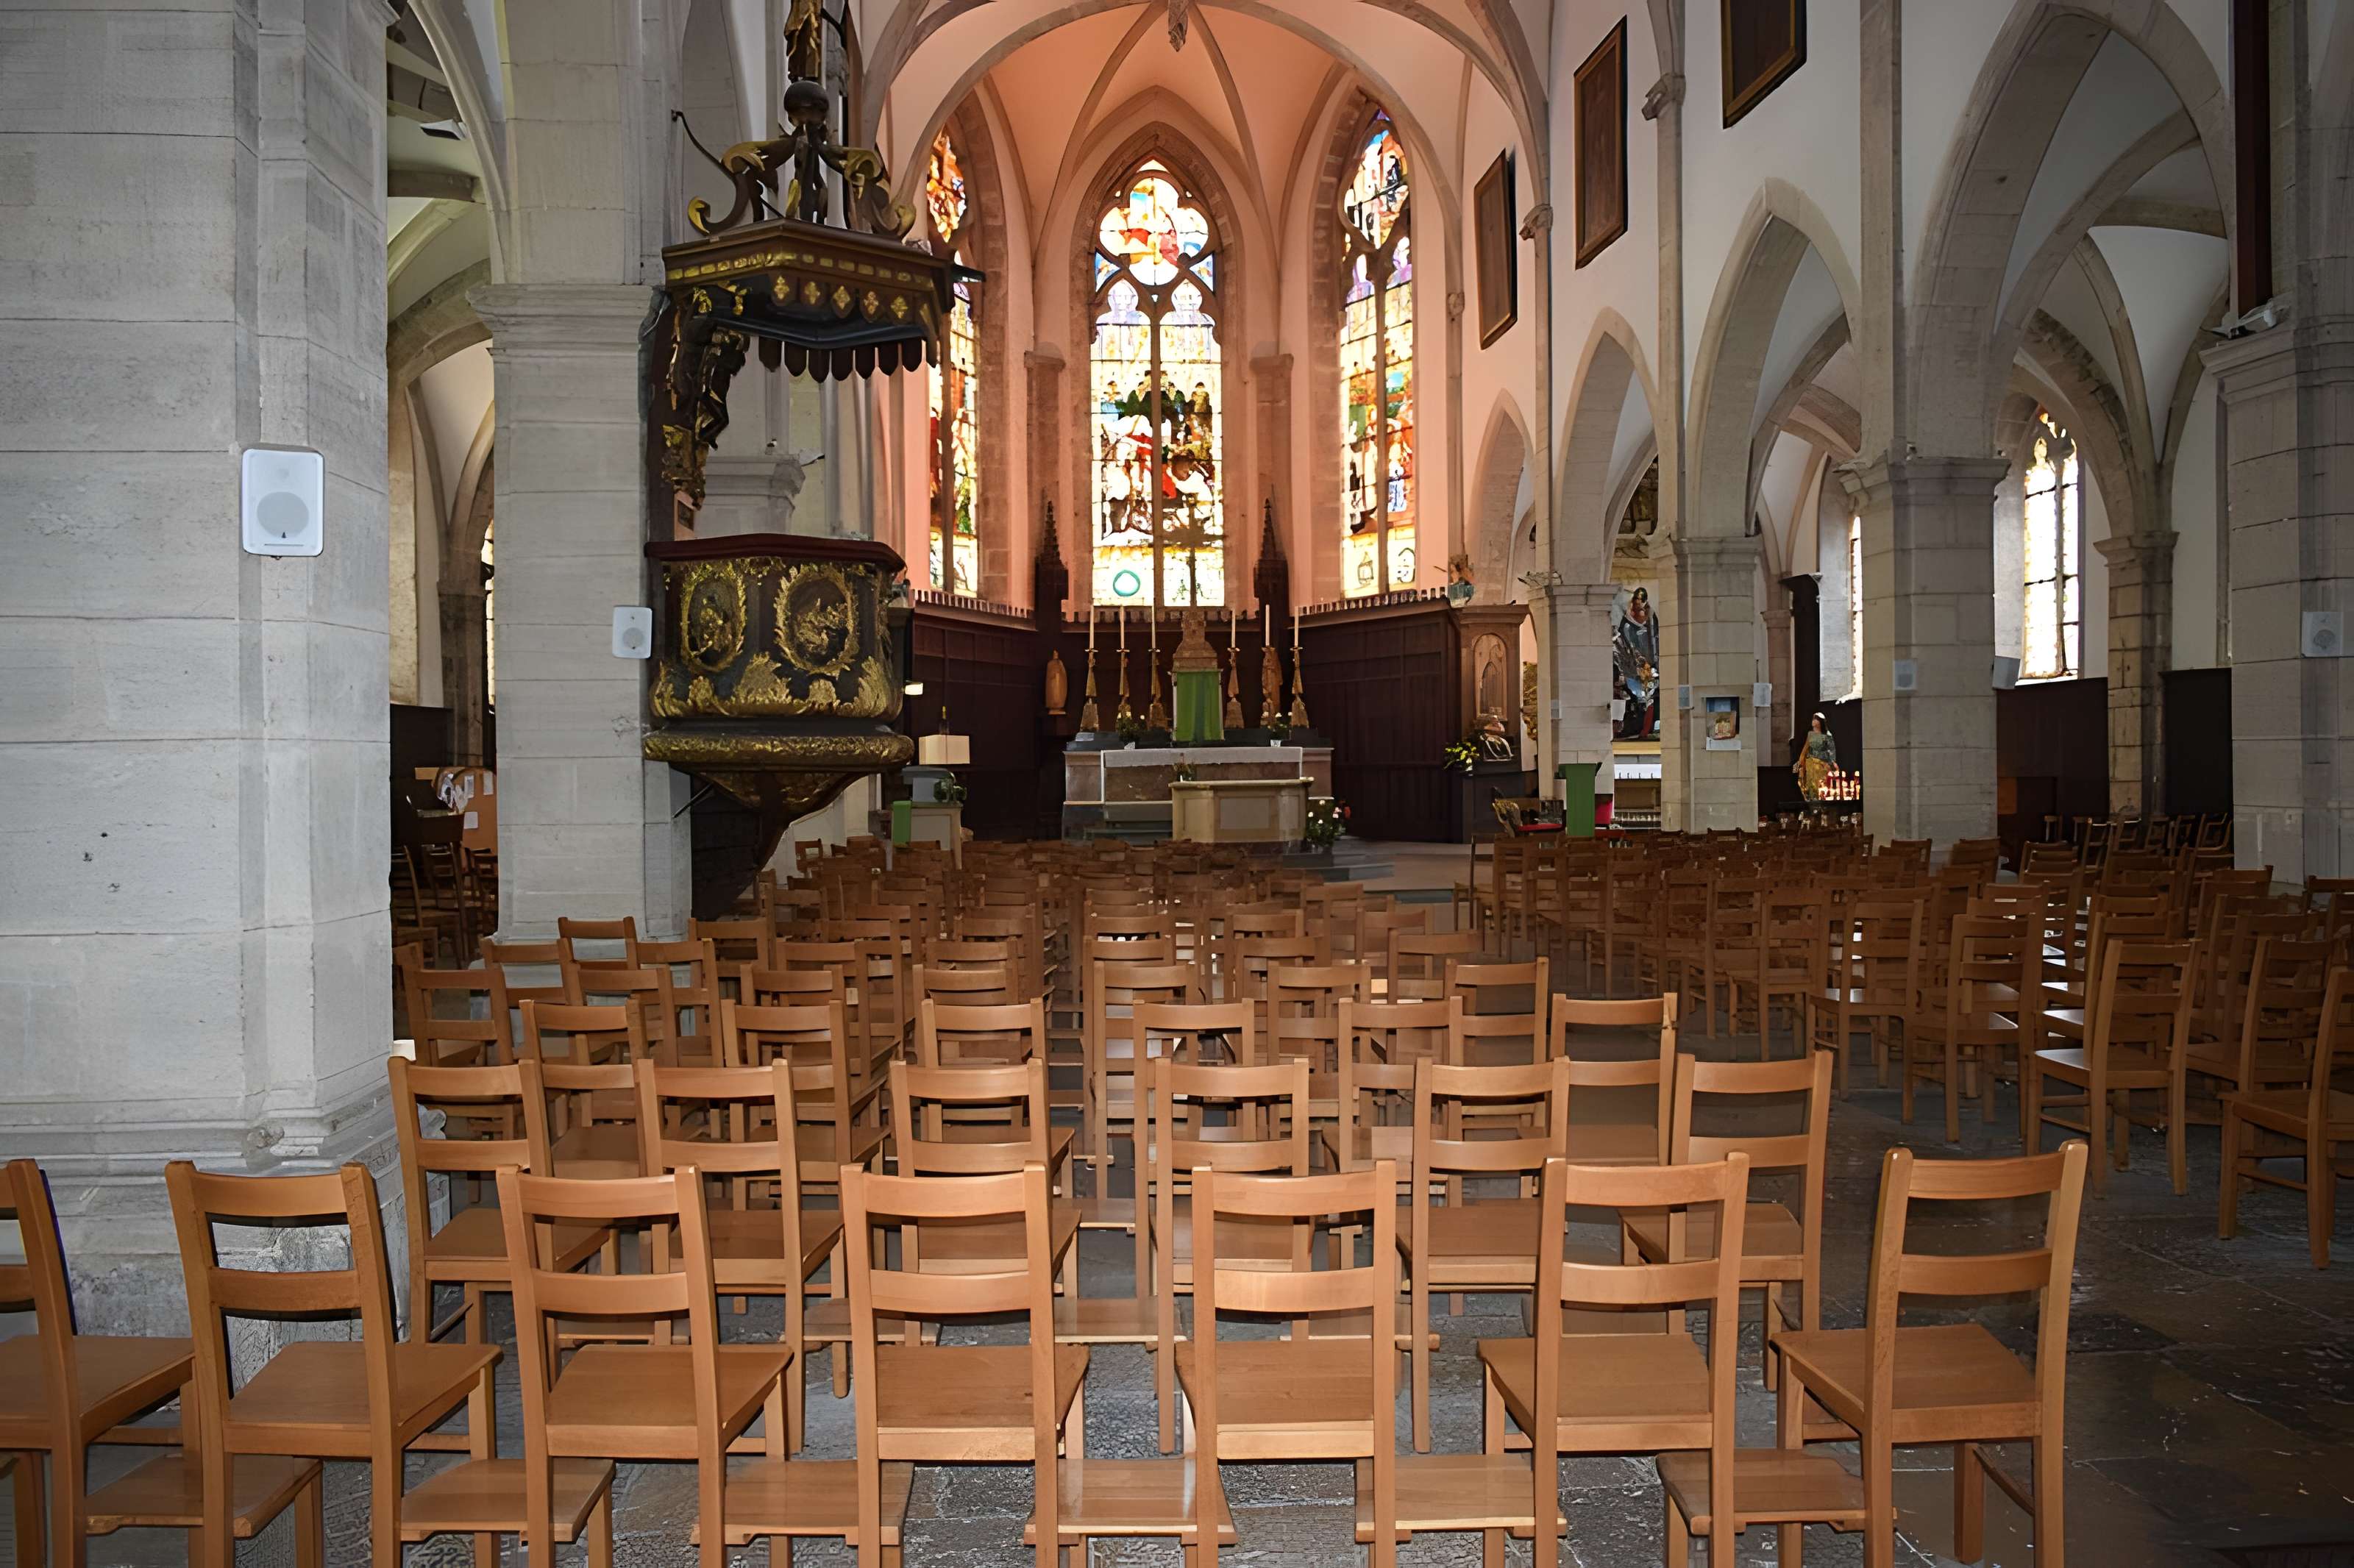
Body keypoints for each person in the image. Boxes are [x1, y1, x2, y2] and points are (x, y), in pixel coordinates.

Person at [1793, 712, 1838, 802]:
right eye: (1813, 719)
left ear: (1821, 722)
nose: (1813, 721)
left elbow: (1832, 750)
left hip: (1823, 765)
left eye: (1816, 719)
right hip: (1811, 765)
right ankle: (1813, 803)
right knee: (1811, 786)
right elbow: (1805, 749)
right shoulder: (1810, 734)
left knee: (1822, 786)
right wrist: (1800, 762)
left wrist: (1831, 763)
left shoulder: (1827, 735)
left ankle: (1822, 803)